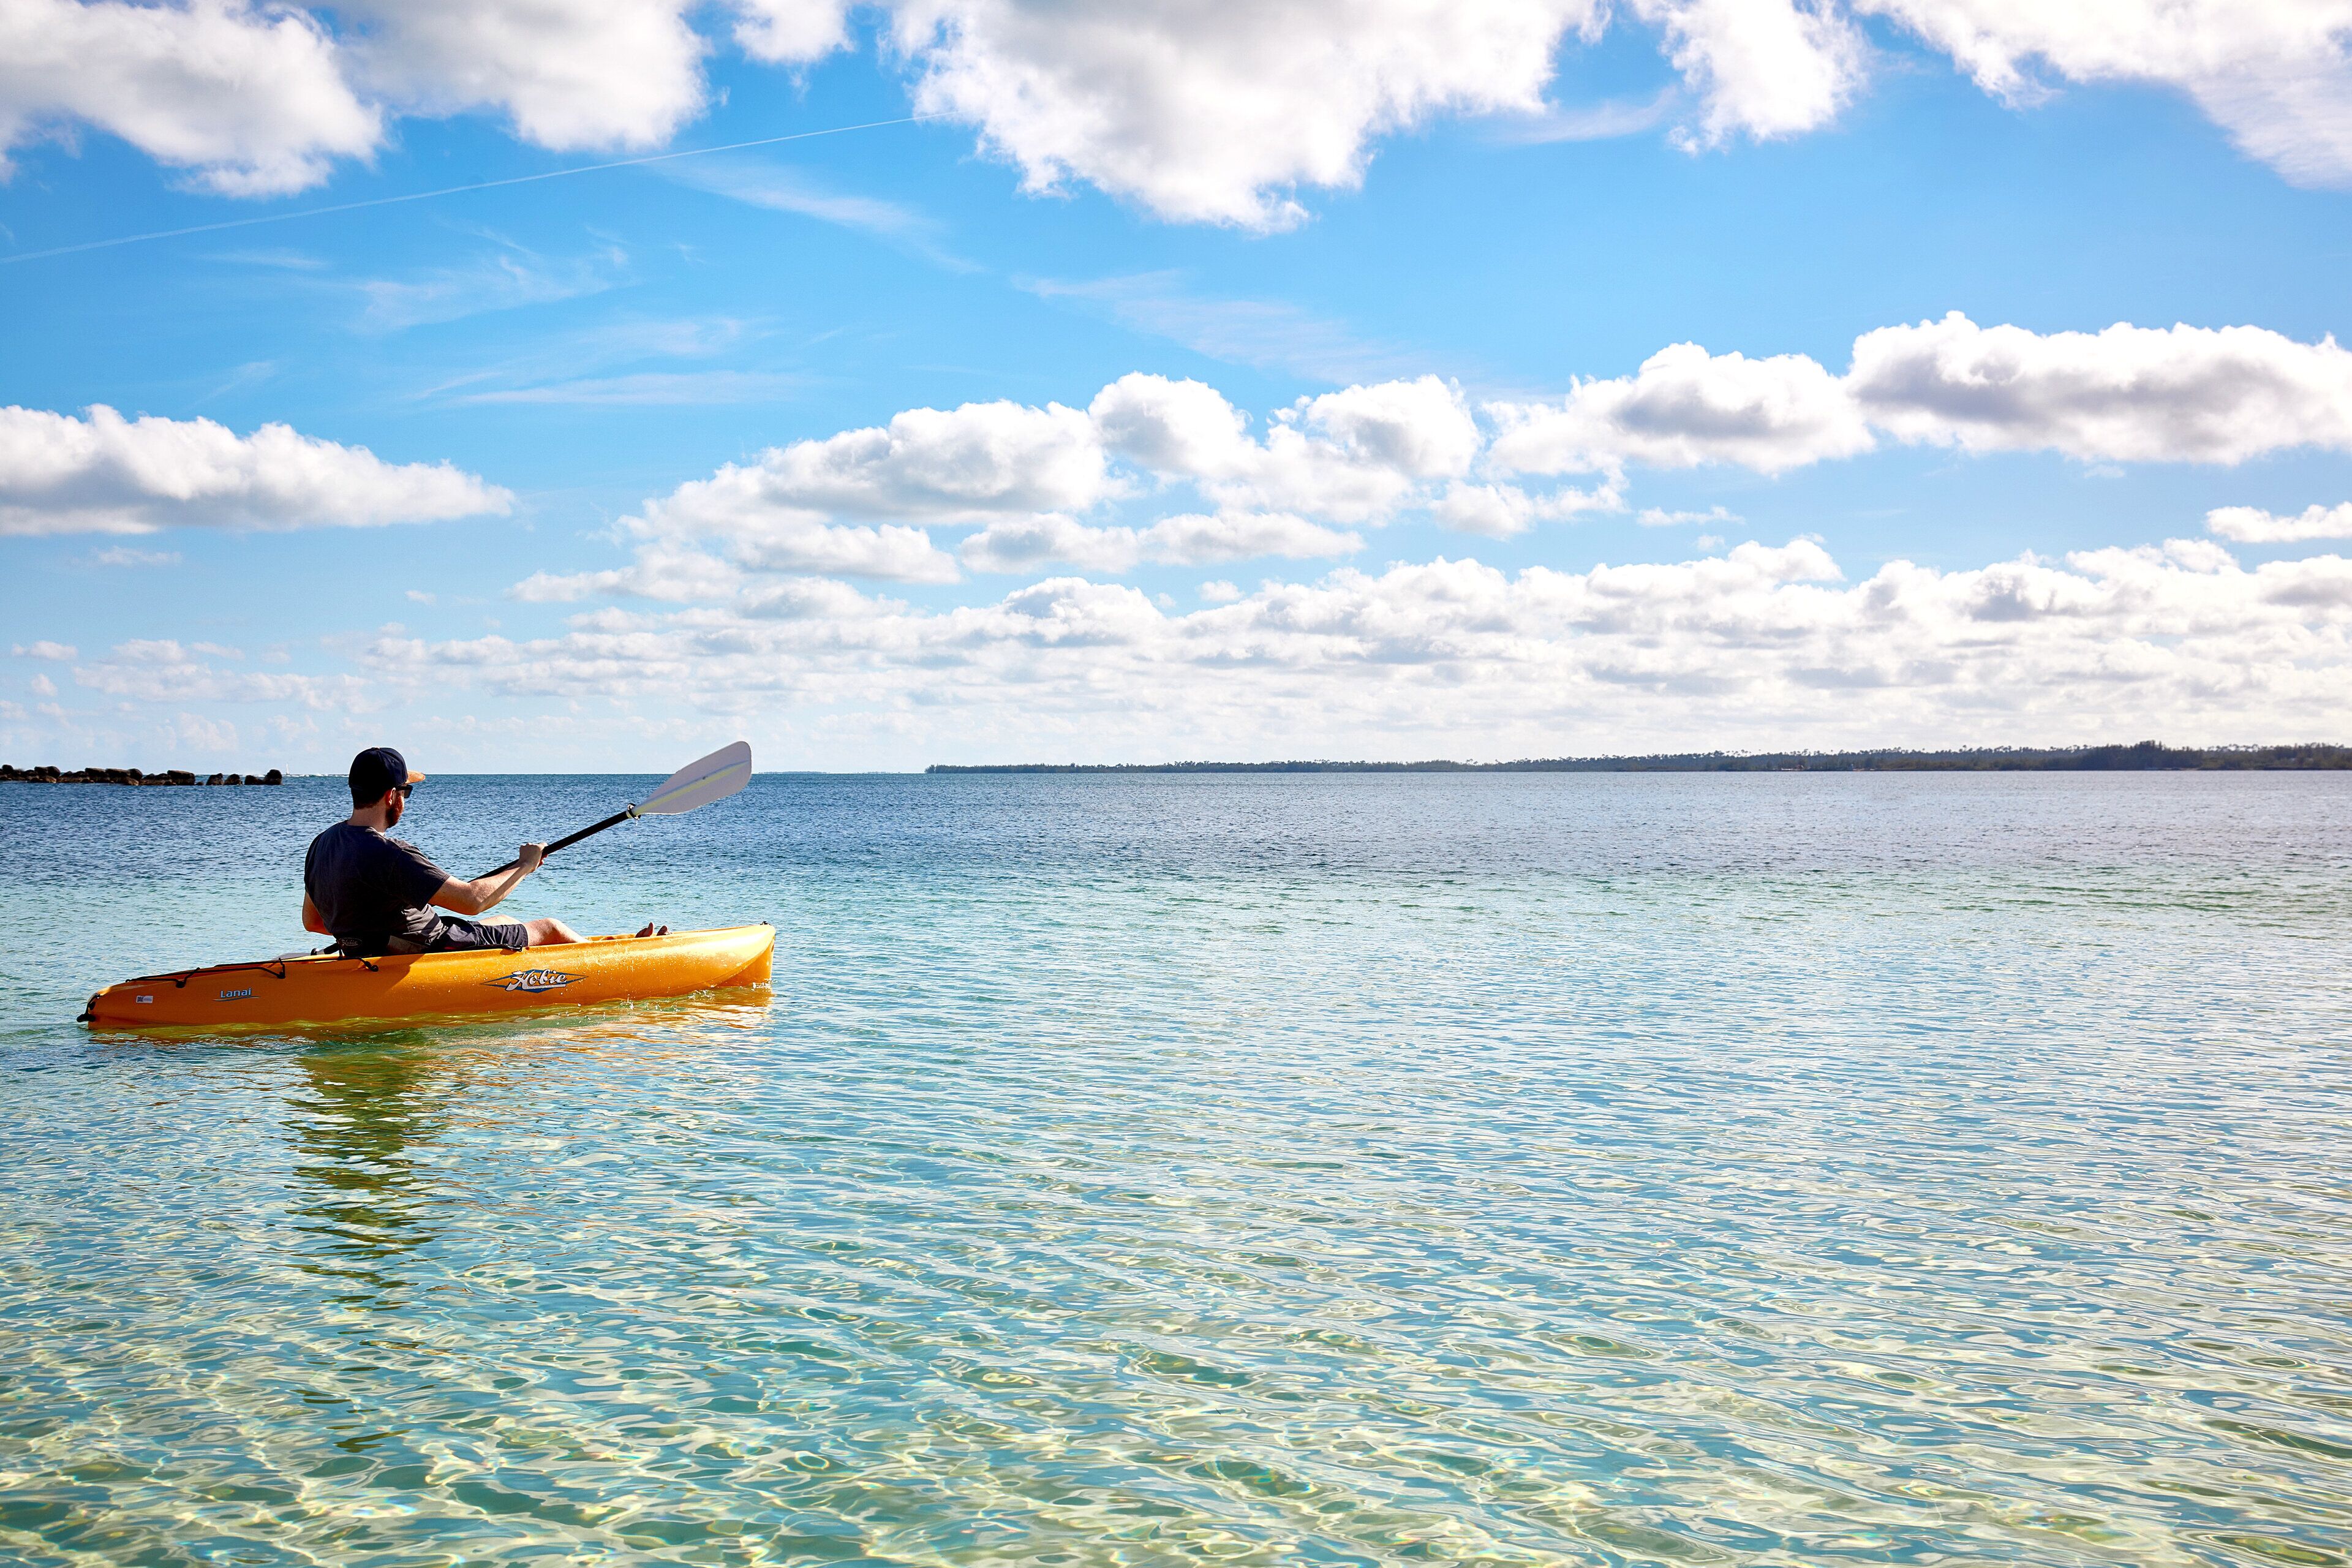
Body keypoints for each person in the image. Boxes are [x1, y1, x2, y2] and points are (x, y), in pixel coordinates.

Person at [301, 747, 660, 957]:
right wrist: (524, 866)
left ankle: (617, 941)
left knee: (505, 925)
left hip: (371, 949)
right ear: (392, 796)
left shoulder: (322, 844)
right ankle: (623, 960)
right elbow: (472, 901)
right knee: (549, 928)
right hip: (427, 948)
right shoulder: (391, 853)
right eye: (406, 794)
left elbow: (314, 922)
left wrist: (363, 932)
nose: (405, 803)